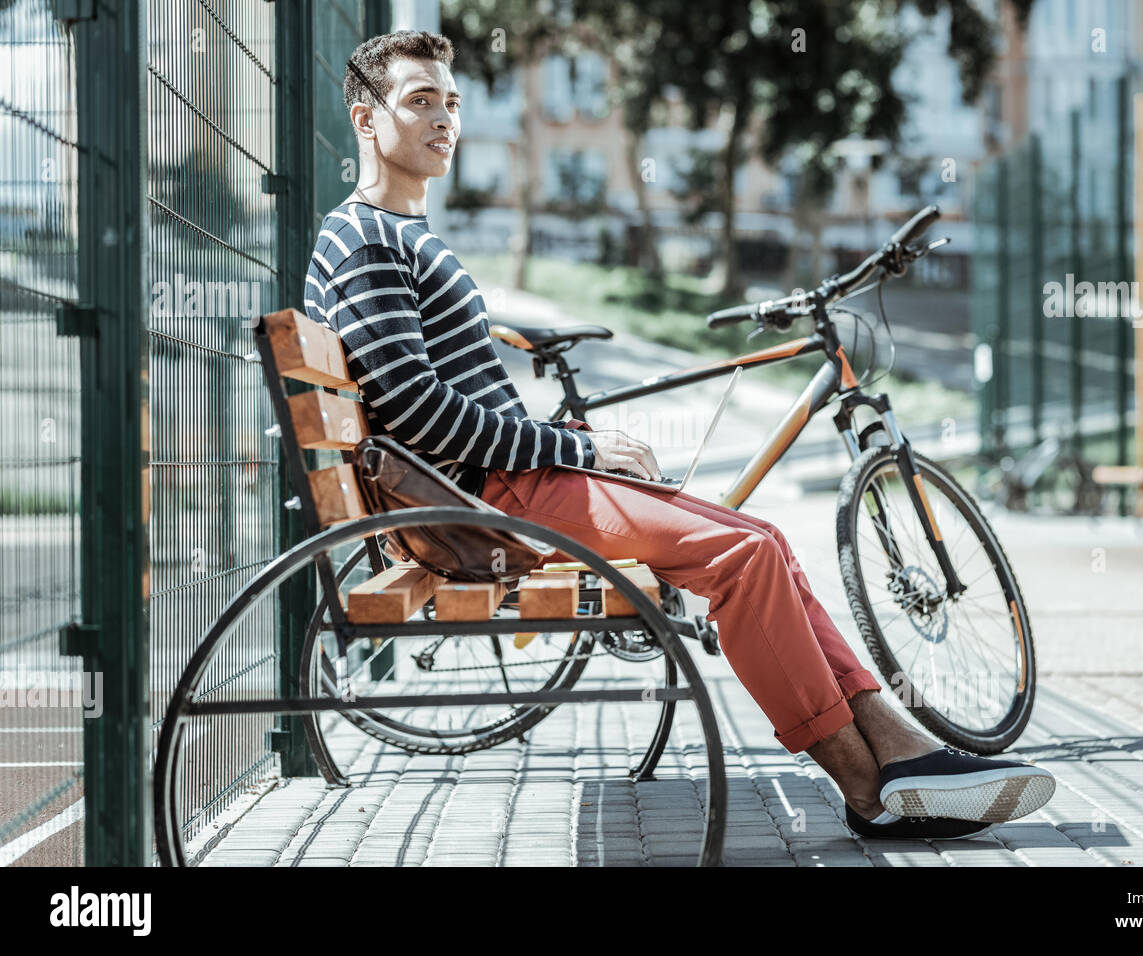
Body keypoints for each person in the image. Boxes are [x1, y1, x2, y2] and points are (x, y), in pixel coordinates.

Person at [303, 29, 1056, 841]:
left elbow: (432, 400)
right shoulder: (368, 241)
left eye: (451, 102)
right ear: (364, 118)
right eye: (420, 101)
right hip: (484, 503)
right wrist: (577, 448)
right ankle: (870, 787)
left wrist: (564, 445)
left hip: (498, 486)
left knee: (761, 537)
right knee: (745, 557)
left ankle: (899, 747)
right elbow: (414, 407)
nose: (444, 118)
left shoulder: (398, 233)